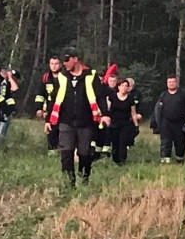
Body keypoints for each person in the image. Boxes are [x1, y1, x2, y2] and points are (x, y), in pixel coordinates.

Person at [46, 47, 109, 187]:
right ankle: (69, 183)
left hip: (86, 122)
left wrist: (104, 115)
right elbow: (53, 98)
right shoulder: (62, 77)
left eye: (67, 60)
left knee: (84, 153)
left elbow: (100, 97)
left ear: (75, 59)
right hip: (65, 121)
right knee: (66, 153)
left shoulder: (90, 75)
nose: (65, 64)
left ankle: (84, 177)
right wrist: (48, 120)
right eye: (63, 61)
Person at [150, 74, 185, 164]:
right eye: (169, 82)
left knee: (180, 144)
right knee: (165, 142)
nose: (171, 84)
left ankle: (180, 161)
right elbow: (157, 110)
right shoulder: (163, 95)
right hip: (166, 123)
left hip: (180, 123)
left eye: (173, 82)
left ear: (176, 83)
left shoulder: (184, 95)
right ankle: (165, 162)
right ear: (167, 83)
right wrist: (155, 123)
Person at [108, 78, 140, 165]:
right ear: (118, 86)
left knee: (123, 142)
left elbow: (133, 113)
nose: (124, 88)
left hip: (125, 124)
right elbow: (107, 110)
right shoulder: (112, 97)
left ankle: (122, 161)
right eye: (122, 86)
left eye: (126, 86)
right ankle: (115, 160)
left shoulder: (130, 99)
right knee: (115, 143)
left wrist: (136, 125)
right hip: (114, 124)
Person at [35, 55, 62, 155]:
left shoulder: (64, 77)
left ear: (60, 64)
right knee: (51, 132)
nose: (54, 66)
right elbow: (40, 94)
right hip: (50, 108)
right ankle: (51, 154)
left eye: (56, 64)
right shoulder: (46, 77)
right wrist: (39, 108)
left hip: (63, 108)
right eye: (52, 64)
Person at [0, 65, 17, 142]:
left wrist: (9, 78)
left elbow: (15, 88)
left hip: (5, 111)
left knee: (1, 133)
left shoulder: (7, 83)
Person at [126, 77, 143, 145]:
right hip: (124, 115)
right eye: (128, 85)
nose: (129, 87)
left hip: (135, 115)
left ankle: (130, 143)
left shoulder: (137, 93)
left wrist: (140, 113)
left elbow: (141, 104)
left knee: (135, 130)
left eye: (131, 86)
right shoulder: (121, 92)